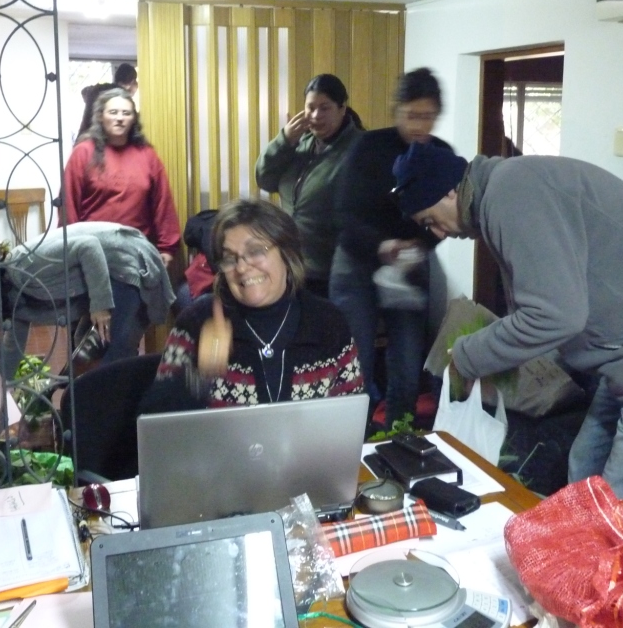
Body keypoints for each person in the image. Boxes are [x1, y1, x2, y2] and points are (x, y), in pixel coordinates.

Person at [390, 140, 623, 535]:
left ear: (449, 190)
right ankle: (578, 562)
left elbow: (553, 315)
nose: (437, 233)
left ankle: (618, 574)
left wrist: (468, 355)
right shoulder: (505, 190)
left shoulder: (510, 194)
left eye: (430, 220)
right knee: (585, 465)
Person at [329, 67, 453, 426]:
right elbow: (343, 213)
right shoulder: (369, 147)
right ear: (396, 111)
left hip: (408, 267)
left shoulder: (441, 155)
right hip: (357, 263)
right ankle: (351, 438)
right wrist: (382, 244)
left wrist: (420, 243)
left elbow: (448, 217)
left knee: (408, 362)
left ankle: (400, 435)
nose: (419, 125)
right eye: (411, 115)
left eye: (428, 116)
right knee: (356, 363)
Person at [152, 198, 362, 408]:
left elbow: (352, 410)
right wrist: (200, 377)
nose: (242, 268)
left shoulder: (327, 321)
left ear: (287, 254)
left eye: (255, 251)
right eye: (230, 258)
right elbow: (154, 418)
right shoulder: (196, 321)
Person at [0, 222, 175, 378]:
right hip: (106, 276)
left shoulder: (27, 266)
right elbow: (12, 349)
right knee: (86, 355)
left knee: (114, 357)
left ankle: (124, 421)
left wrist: (100, 304)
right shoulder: (12, 297)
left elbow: (88, 246)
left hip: (124, 263)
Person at [255, 73, 363, 297]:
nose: (316, 116)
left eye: (325, 108)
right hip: (290, 264)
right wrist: (285, 140)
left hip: (329, 272)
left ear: (342, 109)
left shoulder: (359, 149)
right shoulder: (300, 143)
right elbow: (265, 179)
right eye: (310, 108)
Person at [63, 87, 180, 265]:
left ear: (133, 119)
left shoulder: (147, 155)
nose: (119, 118)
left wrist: (167, 248)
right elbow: (69, 203)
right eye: (113, 112)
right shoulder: (83, 153)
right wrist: (70, 247)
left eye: (126, 113)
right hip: (91, 250)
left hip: (136, 250)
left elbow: (163, 203)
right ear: (100, 116)